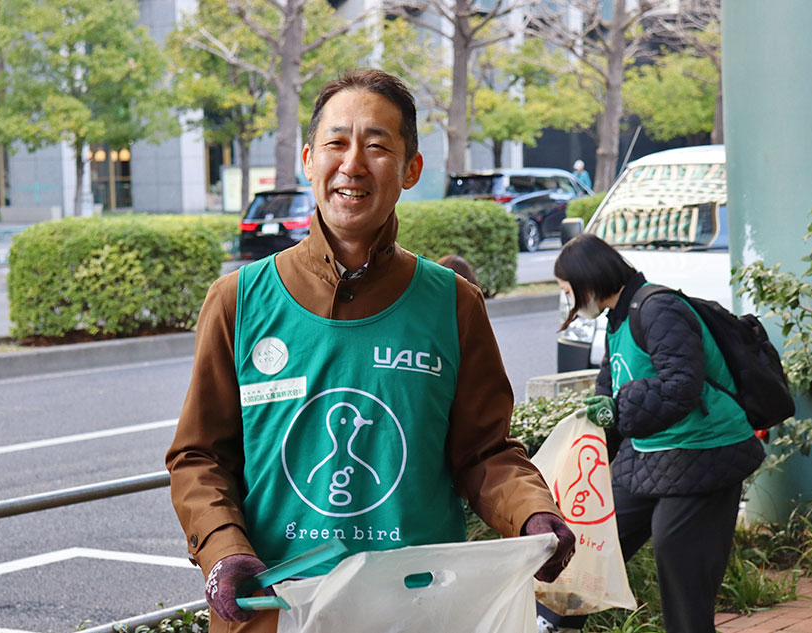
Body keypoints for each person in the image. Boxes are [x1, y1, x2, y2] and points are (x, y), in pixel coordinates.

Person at [166, 69, 575, 633]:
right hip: (273, 613)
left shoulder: (453, 303)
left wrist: (532, 513)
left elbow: (484, 453)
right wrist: (222, 550)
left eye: (377, 145)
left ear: (411, 169)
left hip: (415, 612)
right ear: (308, 160)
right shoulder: (238, 300)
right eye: (336, 143)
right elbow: (199, 457)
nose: (352, 164)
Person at [539, 233, 766, 633]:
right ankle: (553, 623)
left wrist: (618, 408)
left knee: (677, 552)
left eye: (569, 291)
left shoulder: (659, 308)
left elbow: (682, 384)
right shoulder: (617, 320)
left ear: (589, 281)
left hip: (705, 452)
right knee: (593, 533)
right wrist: (589, 445)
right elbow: (607, 394)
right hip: (652, 452)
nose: (571, 304)